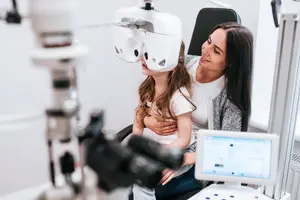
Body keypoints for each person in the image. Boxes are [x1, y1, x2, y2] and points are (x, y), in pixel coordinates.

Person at [143, 22, 254, 199]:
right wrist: (148, 121)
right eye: (208, 41)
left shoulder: (229, 97)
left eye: (216, 51)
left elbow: (226, 147)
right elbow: (147, 97)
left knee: (162, 188)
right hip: (165, 141)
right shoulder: (182, 65)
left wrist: (184, 159)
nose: (206, 50)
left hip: (196, 156)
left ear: (231, 63)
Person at [132, 41, 197, 200]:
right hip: (156, 150)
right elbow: (138, 120)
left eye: (153, 54)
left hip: (177, 152)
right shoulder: (145, 88)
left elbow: (184, 139)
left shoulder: (179, 98)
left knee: (145, 181)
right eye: (146, 52)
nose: (144, 58)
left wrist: (160, 151)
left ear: (172, 65)